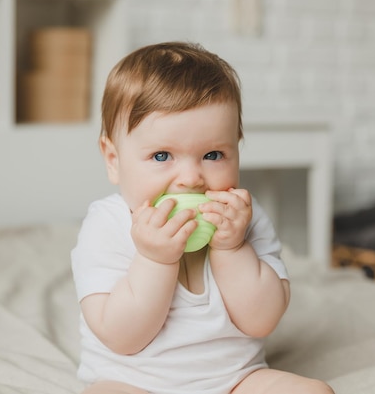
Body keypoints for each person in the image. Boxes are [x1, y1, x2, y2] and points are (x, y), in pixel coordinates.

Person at [70, 41, 334, 394]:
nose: (192, 178)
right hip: (133, 383)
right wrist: (154, 259)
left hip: (234, 381)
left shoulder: (244, 219)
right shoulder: (107, 226)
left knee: (314, 392)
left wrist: (232, 248)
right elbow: (121, 336)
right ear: (114, 160)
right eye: (162, 156)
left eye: (213, 154)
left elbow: (262, 320)